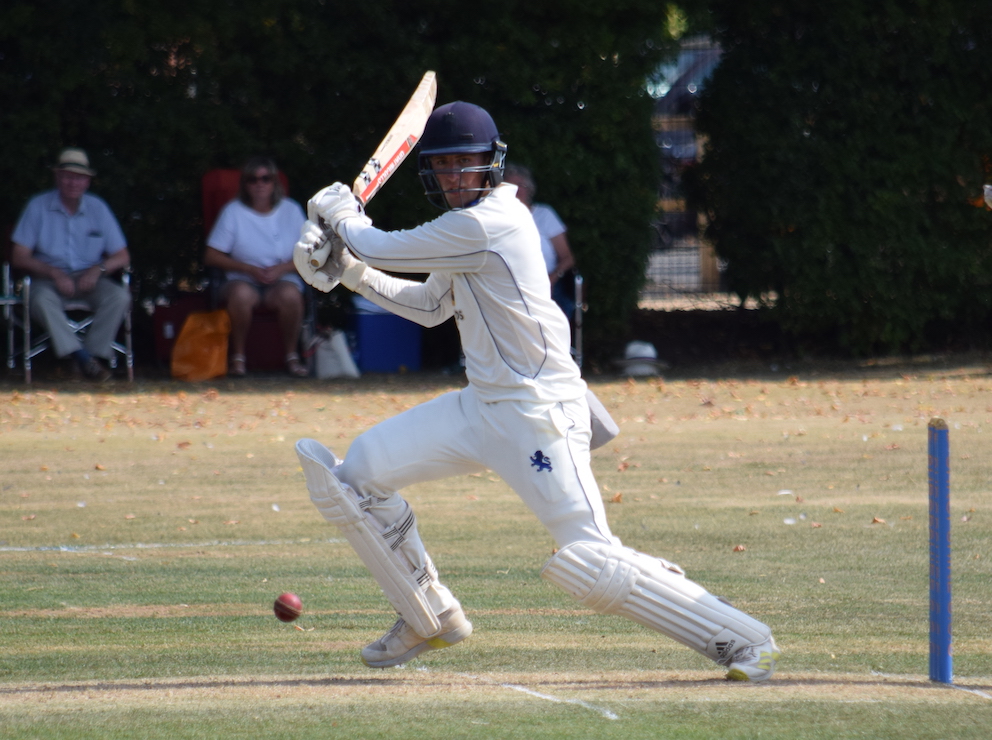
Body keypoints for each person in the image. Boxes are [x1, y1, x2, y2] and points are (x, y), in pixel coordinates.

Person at [291, 101, 780, 681]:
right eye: (443, 166)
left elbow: (382, 245)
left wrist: (341, 216)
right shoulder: (461, 230)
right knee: (359, 474)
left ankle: (743, 640)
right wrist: (348, 271)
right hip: (480, 408)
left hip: (537, 416)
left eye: (464, 164)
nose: (454, 177)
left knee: (589, 557)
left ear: (492, 165)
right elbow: (428, 307)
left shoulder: (490, 222)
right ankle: (428, 613)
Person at [10, 148, 131, 381]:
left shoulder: (98, 208)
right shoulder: (38, 207)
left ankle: (92, 357)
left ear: (87, 181)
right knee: (40, 300)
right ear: (57, 177)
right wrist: (52, 272)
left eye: (79, 177)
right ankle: (81, 357)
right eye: (67, 176)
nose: (73, 182)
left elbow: (122, 256)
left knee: (119, 297)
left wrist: (98, 270)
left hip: (90, 279)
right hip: (48, 280)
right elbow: (19, 256)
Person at [204, 156, 308, 377]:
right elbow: (212, 255)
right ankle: (238, 358)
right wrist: (247, 269)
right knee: (241, 295)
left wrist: (282, 269)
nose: (260, 184)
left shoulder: (292, 210)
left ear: (274, 183)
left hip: (282, 278)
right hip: (242, 279)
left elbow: (311, 254)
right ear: (245, 184)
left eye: (265, 178)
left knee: (291, 295)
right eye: (253, 179)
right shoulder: (232, 211)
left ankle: (292, 356)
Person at [502, 162, 576, 319]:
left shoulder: (544, 214)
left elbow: (567, 258)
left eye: (520, 185)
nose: (515, 190)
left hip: (547, 283)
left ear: (529, 189)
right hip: (507, 286)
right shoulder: (496, 218)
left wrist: (552, 278)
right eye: (510, 185)